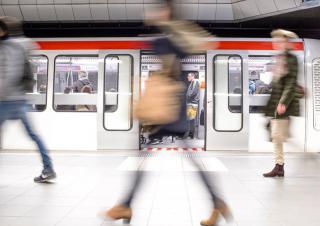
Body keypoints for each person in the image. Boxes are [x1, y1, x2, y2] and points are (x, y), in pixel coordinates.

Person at [102, 1, 232, 226]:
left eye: (157, 9)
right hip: (173, 107)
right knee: (184, 157)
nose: (151, 13)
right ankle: (217, 202)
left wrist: (160, 29)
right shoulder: (173, 37)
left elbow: (162, 48)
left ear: (166, 12)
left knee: (143, 157)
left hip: (168, 109)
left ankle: (125, 204)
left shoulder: (167, 39)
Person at [0, 17, 56, 183]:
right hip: (20, 99)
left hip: (8, 100)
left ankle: (48, 168)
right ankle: (48, 168)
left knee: (33, 135)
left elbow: (10, 74)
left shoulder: (10, 47)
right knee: (34, 135)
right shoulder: (24, 44)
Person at [263, 29, 300, 178]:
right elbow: (278, 83)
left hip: (283, 105)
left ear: (285, 42)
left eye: (278, 41)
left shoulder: (291, 59)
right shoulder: (279, 58)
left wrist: (283, 102)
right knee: (277, 135)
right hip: (275, 104)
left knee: (278, 136)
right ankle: (279, 166)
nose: (275, 43)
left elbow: (291, 83)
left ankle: (279, 166)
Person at [185, 72, 200, 139]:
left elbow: (194, 92)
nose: (187, 77)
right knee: (190, 119)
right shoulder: (192, 83)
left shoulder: (196, 82)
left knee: (192, 119)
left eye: (189, 76)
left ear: (193, 76)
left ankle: (191, 135)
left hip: (193, 103)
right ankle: (190, 134)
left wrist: (188, 97)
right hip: (190, 103)